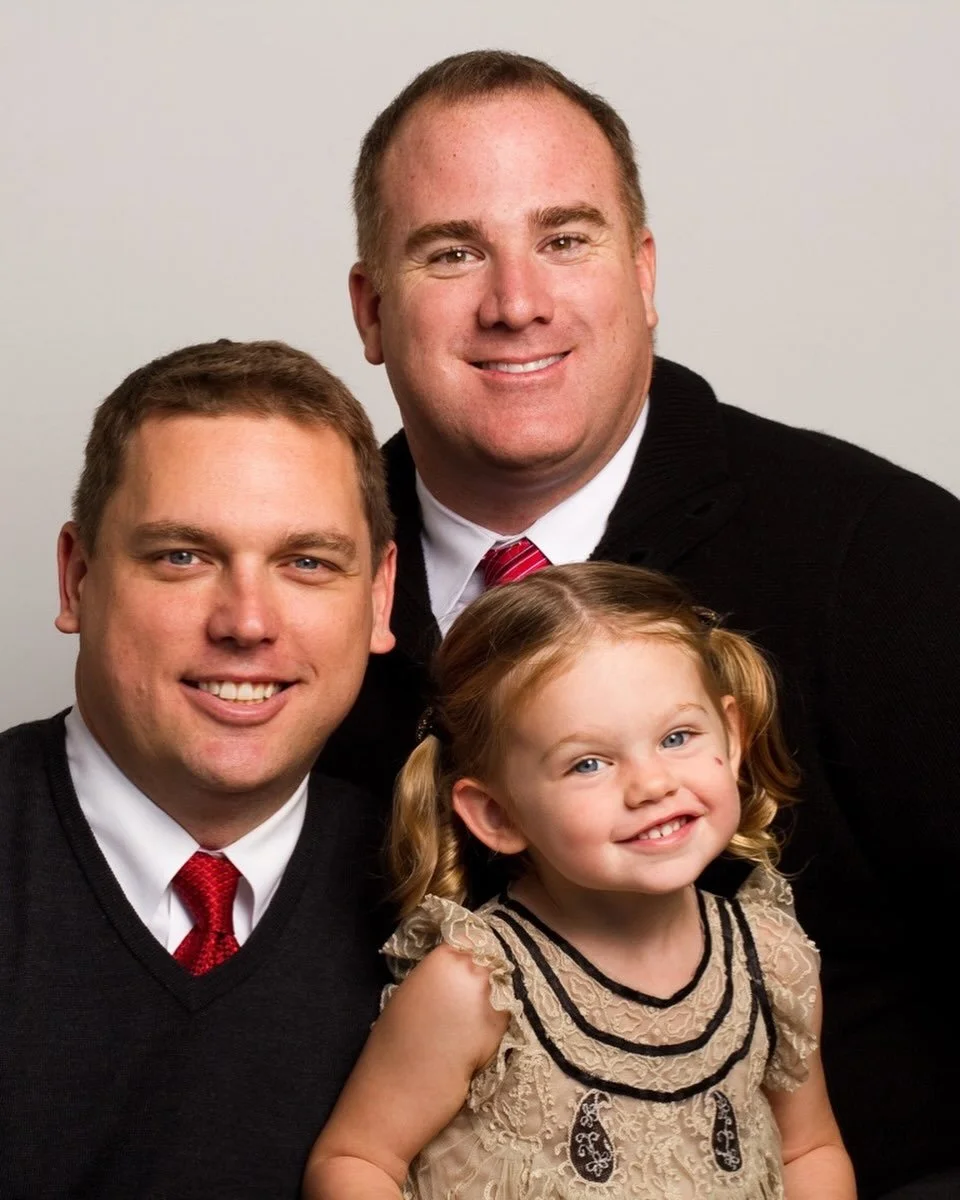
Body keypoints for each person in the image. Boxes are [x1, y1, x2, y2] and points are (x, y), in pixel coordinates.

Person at [318, 49, 960, 1198]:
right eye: (453, 251)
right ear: (371, 310)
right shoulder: (294, 597)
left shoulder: (889, 556)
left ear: (644, 272)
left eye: (565, 238)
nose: (517, 300)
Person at [306, 564, 856, 1199]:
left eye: (677, 737)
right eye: (588, 763)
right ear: (498, 814)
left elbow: (810, 1148)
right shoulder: (478, 986)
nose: (651, 785)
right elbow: (356, 1161)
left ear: (731, 739)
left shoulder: (773, 961)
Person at [0, 340, 397, 1198]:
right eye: (183, 556)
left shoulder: (444, 893)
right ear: (76, 578)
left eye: (307, 563)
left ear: (379, 599)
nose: (247, 622)